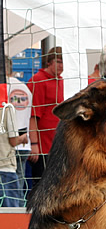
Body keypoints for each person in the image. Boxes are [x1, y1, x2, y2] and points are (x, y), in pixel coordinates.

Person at [27, 46, 64, 185]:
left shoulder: (62, 81)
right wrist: (35, 144)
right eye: (58, 61)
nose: (61, 66)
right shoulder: (38, 81)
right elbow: (32, 115)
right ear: (49, 61)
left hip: (57, 145)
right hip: (43, 148)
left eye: (63, 63)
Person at [6, 56, 33, 205]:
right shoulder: (25, 88)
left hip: (7, 145)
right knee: (18, 187)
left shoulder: (4, 88)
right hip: (24, 143)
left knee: (7, 190)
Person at [0, 95, 28, 207]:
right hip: (5, 167)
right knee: (10, 214)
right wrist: (23, 138)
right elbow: (13, 140)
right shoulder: (7, 107)